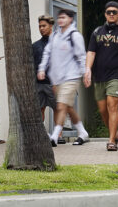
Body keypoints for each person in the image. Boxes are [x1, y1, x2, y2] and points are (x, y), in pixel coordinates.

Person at [85, 1, 118, 152]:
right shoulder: (97, 32)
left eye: (114, 12)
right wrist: (88, 69)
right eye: (108, 12)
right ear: (105, 14)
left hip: (117, 75)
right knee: (103, 110)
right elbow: (91, 52)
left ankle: (111, 141)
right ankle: (115, 133)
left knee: (112, 106)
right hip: (99, 76)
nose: (111, 14)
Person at [37, 8, 90, 146]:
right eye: (59, 18)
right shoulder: (55, 36)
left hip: (71, 77)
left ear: (70, 19)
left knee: (60, 106)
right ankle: (82, 132)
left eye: (64, 17)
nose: (61, 20)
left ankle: (54, 136)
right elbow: (47, 53)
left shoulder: (75, 36)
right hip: (58, 78)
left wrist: (85, 74)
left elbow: (81, 56)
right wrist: (42, 69)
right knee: (68, 107)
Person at [32, 15, 58, 127]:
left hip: (54, 83)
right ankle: (41, 135)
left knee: (58, 109)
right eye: (39, 26)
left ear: (51, 26)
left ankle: (58, 136)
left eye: (44, 26)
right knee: (39, 109)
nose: (41, 28)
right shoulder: (35, 45)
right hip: (39, 84)